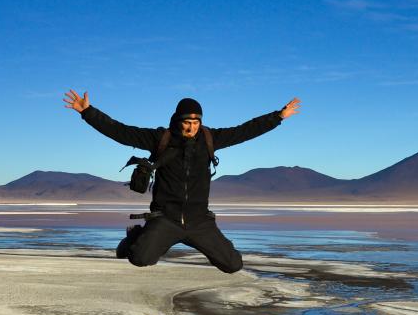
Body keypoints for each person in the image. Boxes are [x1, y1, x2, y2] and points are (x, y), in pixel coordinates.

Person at [64, 90, 300, 273]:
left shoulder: (210, 138)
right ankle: (136, 237)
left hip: (199, 222)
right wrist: (88, 112)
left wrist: (278, 116)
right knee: (139, 259)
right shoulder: (160, 138)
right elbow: (121, 132)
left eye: (196, 122)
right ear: (178, 120)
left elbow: (246, 130)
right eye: (187, 122)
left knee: (233, 265)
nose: (191, 127)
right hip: (166, 219)